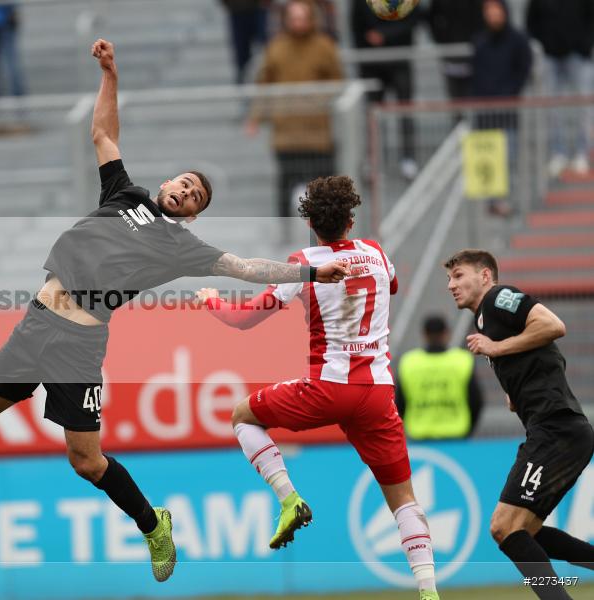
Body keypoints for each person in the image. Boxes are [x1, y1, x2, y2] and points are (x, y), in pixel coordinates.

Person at [0, 39, 349, 584]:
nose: (187, 192)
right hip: (35, 325)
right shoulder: (124, 193)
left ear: (192, 215)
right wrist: (110, 75)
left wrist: (309, 272)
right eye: (185, 183)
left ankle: (153, 522)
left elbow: (245, 268)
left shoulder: (182, 247)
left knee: (86, 461)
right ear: (167, 183)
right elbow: (102, 132)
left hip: (78, 344)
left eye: (196, 197)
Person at [196, 176, 440, 600]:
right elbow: (393, 285)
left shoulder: (303, 263)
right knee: (404, 500)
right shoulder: (378, 254)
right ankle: (429, 591)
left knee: (241, 415)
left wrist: (212, 300)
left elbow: (243, 320)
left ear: (310, 222)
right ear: (351, 218)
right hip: (379, 393)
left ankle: (290, 499)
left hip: (327, 387)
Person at [445, 249, 594, 600]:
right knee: (525, 531)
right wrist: (520, 392)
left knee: (503, 527)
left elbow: (552, 326)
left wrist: (497, 348)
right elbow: (552, 355)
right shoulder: (486, 320)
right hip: (554, 430)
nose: (451, 285)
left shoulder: (499, 298)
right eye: (449, 279)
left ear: (485, 276)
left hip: (556, 430)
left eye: (459, 275)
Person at [246, 0, 343, 239]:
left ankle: (330, 233)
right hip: (286, 133)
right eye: (294, 18)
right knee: (284, 184)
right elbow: (264, 84)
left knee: (325, 190)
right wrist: (255, 117)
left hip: (318, 132)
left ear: (311, 19)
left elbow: (338, 81)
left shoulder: (324, 46)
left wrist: (317, 99)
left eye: (302, 17)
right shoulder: (276, 47)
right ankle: (284, 231)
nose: (298, 23)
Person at [470, 0, 533, 217]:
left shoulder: (517, 40)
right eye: (488, 11)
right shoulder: (480, 41)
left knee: (509, 157)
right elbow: (476, 74)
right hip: (485, 112)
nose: (492, 15)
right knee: (488, 159)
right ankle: (491, 202)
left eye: (496, 11)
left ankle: (508, 200)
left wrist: (509, 94)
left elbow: (523, 70)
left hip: (507, 111)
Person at [350, 0, 421, 179]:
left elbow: (413, 19)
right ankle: (375, 159)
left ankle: (408, 157)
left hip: (400, 60)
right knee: (373, 115)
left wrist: (385, 35)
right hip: (371, 64)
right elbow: (356, 26)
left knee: (405, 112)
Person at [526, 0, 593, 177]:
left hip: (578, 55)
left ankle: (582, 152)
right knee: (552, 108)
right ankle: (558, 153)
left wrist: (585, 45)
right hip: (550, 56)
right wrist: (544, 45)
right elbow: (531, 23)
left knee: (584, 107)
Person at [395, 314, 484, 440]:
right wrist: (468, 431)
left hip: (419, 436)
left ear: (424, 334)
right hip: (456, 435)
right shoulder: (462, 360)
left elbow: (399, 402)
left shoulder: (409, 362)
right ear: (446, 333)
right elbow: (476, 401)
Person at [428, 0, 485, 102]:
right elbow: (432, 17)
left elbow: (482, 17)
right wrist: (440, 38)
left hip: (475, 50)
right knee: (455, 97)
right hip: (450, 50)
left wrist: (478, 41)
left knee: (476, 96)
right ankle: (458, 117)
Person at [220, 0, 269, 84]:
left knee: (265, 50)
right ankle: (242, 86)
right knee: (241, 55)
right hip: (237, 10)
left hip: (260, 8)